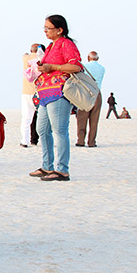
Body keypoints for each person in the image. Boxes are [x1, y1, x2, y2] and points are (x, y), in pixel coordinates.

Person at [26, 15, 82, 182]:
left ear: (60, 30)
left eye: (48, 28)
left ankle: (62, 170)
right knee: (42, 130)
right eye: (44, 28)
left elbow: (76, 66)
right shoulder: (51, 46)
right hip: (45, 93)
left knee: (60, 131)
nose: (45, 31)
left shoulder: (66, 44)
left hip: (59, 92)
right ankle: (47, 166)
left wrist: (53, 67)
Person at [76, 51, 106, 147]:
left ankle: (81, 140)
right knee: (94, 120)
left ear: (88, 57)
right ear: (97, 58)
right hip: (97, 93)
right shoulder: (102, 68)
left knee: (82, 118)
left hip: (86, 93)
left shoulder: (84, 67)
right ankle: (92, 142)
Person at [20, 44, 43, 147]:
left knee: (26, 118)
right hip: (38, 92)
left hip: (26, 92)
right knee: (42, 117)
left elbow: (25, 54)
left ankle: (24, 141)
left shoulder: (26, 58)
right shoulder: (41, 58)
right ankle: (42, 140)